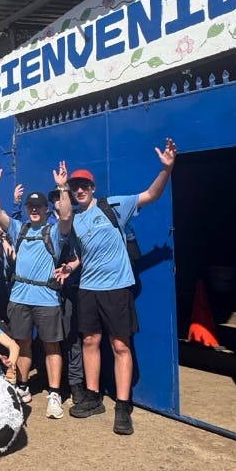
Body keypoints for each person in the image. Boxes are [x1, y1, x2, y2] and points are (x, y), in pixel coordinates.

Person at [67, 138, 178, 436]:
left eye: (84, 186)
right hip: (87, 289)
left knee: (120, 345)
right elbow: (84, 254)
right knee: (90, 342)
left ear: (92, 189)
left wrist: (166, 170)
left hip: (117, 289)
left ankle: (123, 406)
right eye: (74, 187)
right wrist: (72, 266)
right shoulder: (74, 221)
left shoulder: (113, 206)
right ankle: (93, 397)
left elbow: (151, 195)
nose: (79, 190)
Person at [0, 161, 73, 419]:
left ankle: (54, 393)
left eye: (39, 207)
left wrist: (63, 187)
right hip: (19, 298)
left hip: (47, 298)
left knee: (51, 346)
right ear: (27, 209)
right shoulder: (19, 229)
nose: (34, 210)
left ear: (47, 210)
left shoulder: (55, 232)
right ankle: (23, 387)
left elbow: (67, 216)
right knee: (22, 345)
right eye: (31, 207)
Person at [48, 185, 85, 405]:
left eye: (62, 198)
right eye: (56, 199)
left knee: (72, 338)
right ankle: (55, 383)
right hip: (50, 291)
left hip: (71, 289)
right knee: (51, 339)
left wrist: (71, 268)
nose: (59, 202)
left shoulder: (78, 223)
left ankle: (75, 384)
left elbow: (83, 253)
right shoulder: (49, 226)